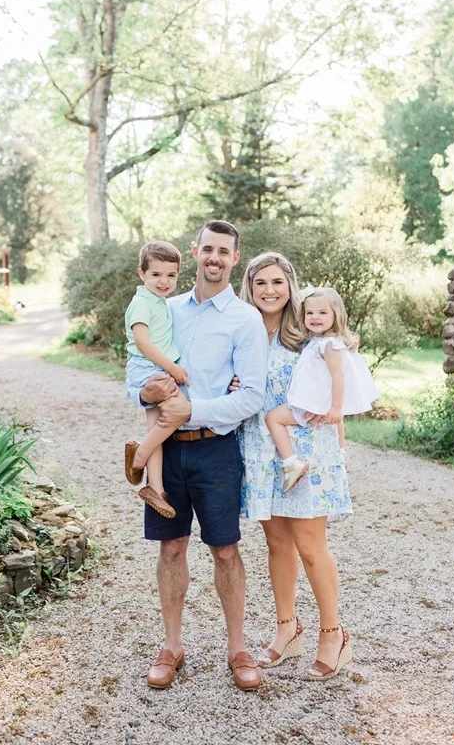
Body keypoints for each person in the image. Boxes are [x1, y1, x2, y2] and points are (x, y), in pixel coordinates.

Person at [127, 220, 269, 692]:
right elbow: (136, 375)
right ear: (195, 252)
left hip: (217, 450)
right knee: (171, 547)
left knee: (226, 550)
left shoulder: (245, 319)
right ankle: (171, 646)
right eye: (208, 248)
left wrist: (195, 408)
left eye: (223, 251)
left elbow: (252, 395)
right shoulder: (164, 308)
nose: (214, 257)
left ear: (234, 258)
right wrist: (144, 391)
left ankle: (237, 648)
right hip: (168, 452)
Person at [239, 252, 353, 681]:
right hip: (260, 448)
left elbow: (338, 373)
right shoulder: (244, 333)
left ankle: (332, 633)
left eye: (277, 282)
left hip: (307, 449)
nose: (269, 291)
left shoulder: (308, 332)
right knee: (277, 544)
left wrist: (339, 444)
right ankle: (287, 628)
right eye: (260, 283)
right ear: (249, 288)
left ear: (290, 285)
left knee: (310, 545)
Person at [266, 286, 379, 492]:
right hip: (317, 400)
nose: (315, 317)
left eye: (322, 312)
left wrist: (335, 407)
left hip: (313, 402)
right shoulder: (317, 341)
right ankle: (340, 453)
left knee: (272, 418)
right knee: (338, 423)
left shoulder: (329, 344)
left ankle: (291, 462)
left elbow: (338, 375)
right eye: (309, 312)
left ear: (336, 315)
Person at [124, 241, 190, 519]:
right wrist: (171, 369)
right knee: (179, 412)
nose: (164, 281)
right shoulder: (141, 303)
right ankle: (138, 457)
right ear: (142, 274)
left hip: (153, 365)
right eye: (156, 275)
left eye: (171, 275)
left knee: (156, 429)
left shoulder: (159, 302)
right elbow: (141, 342)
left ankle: (156, 489)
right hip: (149, 366)